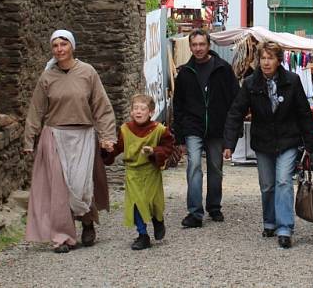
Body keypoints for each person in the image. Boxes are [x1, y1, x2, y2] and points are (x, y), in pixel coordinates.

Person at [23, 29, 117, 253]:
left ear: (72, 46)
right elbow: (36, 110)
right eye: (55, 46)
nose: (59, 50)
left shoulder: (87, 72)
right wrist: (29, 140)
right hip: (55, 136)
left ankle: (86, 222)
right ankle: (62, 236)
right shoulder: (47, 77)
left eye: (63, 45)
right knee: (59, 190)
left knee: (81, 186)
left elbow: (101, 106)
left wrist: (107, 136)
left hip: (83, 135)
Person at [223, 41, 313, 249]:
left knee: (283, 181)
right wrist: (229, 143)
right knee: (267, 185)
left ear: (278, 60)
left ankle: (285, 228)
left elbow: (304, 113)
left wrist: (311, 145)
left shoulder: (292, 81)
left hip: (287, 139)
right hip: (263, 140)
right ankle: (270, 222)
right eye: (263, 58)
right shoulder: (250, 83)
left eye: (270, 58)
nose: (266, 62)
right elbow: (236, 112)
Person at [172, 28, 239, 228]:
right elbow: (178, 106)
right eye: (194, 45)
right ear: (190, 47)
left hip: (217, 127)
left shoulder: (223, 68)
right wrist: (180, 138)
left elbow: (236, 100)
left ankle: (214, 206)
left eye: (202, 44)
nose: (198, 48)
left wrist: (231, 135)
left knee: (215, 168)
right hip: (193, 126)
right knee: (193, 166)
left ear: (209, 45)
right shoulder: (185, 73)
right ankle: (194, 212)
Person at [102, 94, 175, 250]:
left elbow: (168, 148)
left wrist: (154, 151)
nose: (139, 112)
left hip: (151, 172)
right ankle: (142, 235)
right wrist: (108, 149)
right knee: (136, 204)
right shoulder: (125, 129)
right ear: (131, 112)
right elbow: (117, 148)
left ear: (151, 112)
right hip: (133, 173)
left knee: (153, 203)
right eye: (135, 108)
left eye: (143, 109)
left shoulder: (160, 130)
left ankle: (158, 220)